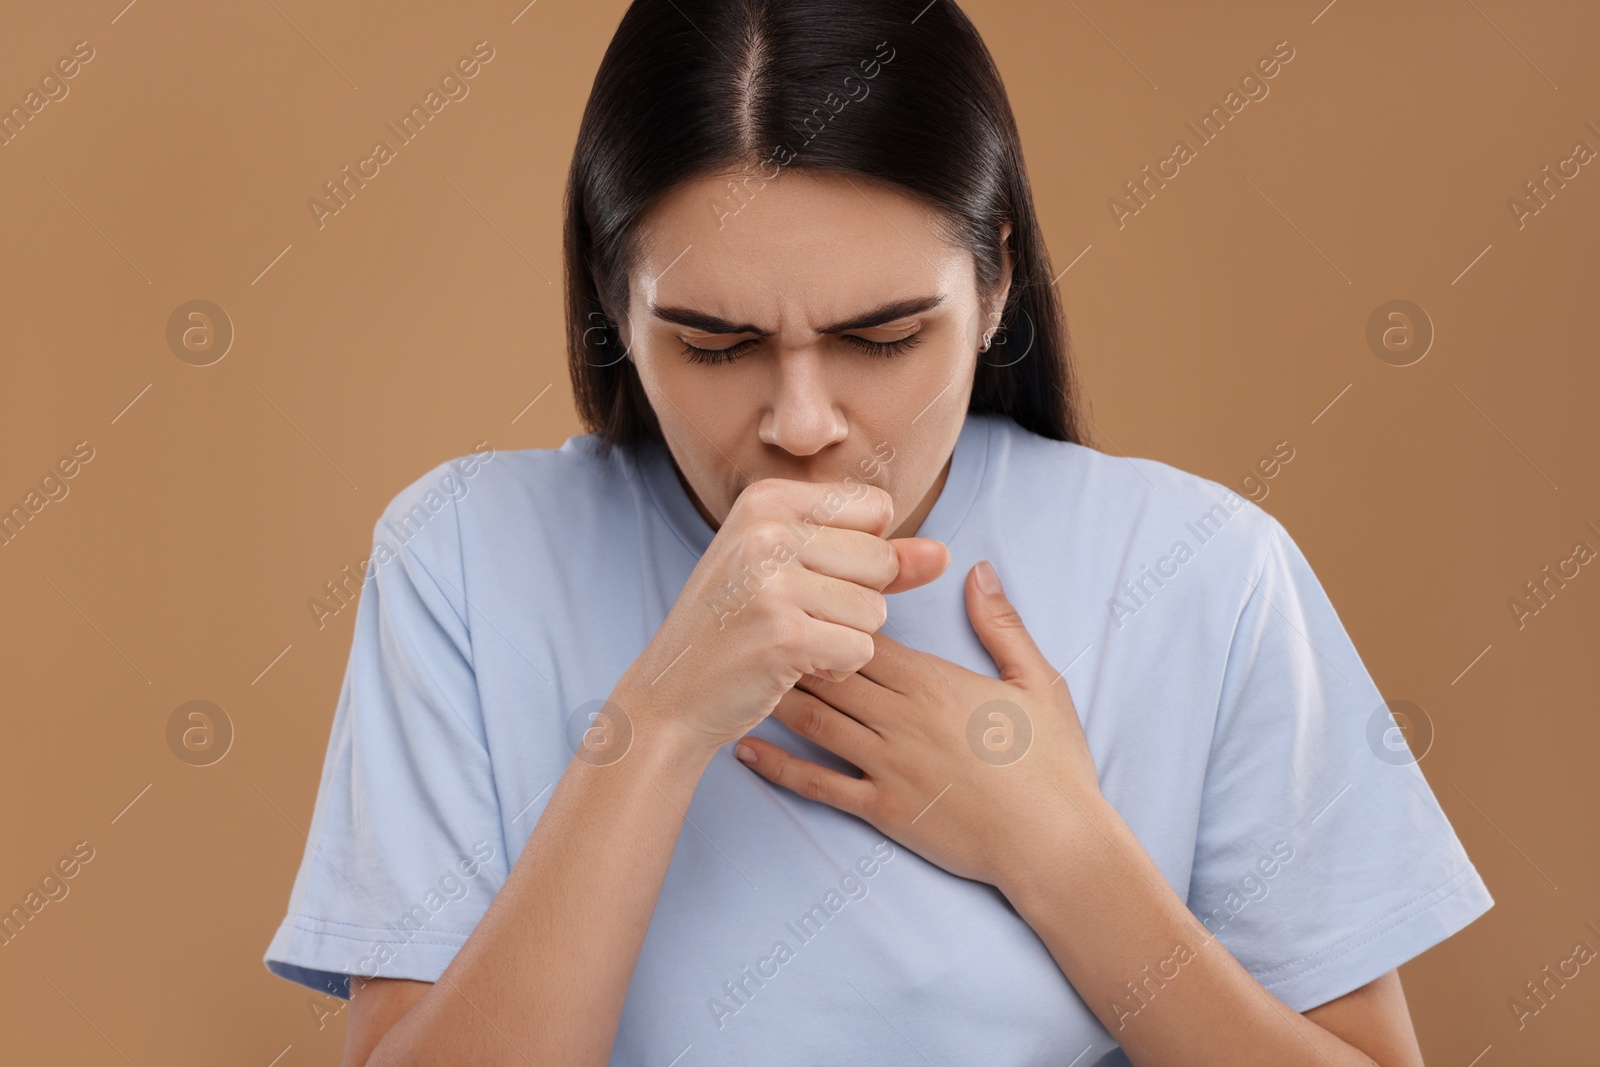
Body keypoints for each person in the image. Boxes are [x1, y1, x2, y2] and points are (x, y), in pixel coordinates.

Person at [262, 1, 1493, 1064]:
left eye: (883, 338)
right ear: (608, 304)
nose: (802, 422)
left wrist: (1061, 852)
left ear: (997, 282)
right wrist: (662, 715)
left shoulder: (1205, 572)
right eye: (714, 344)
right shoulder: (462, 555)